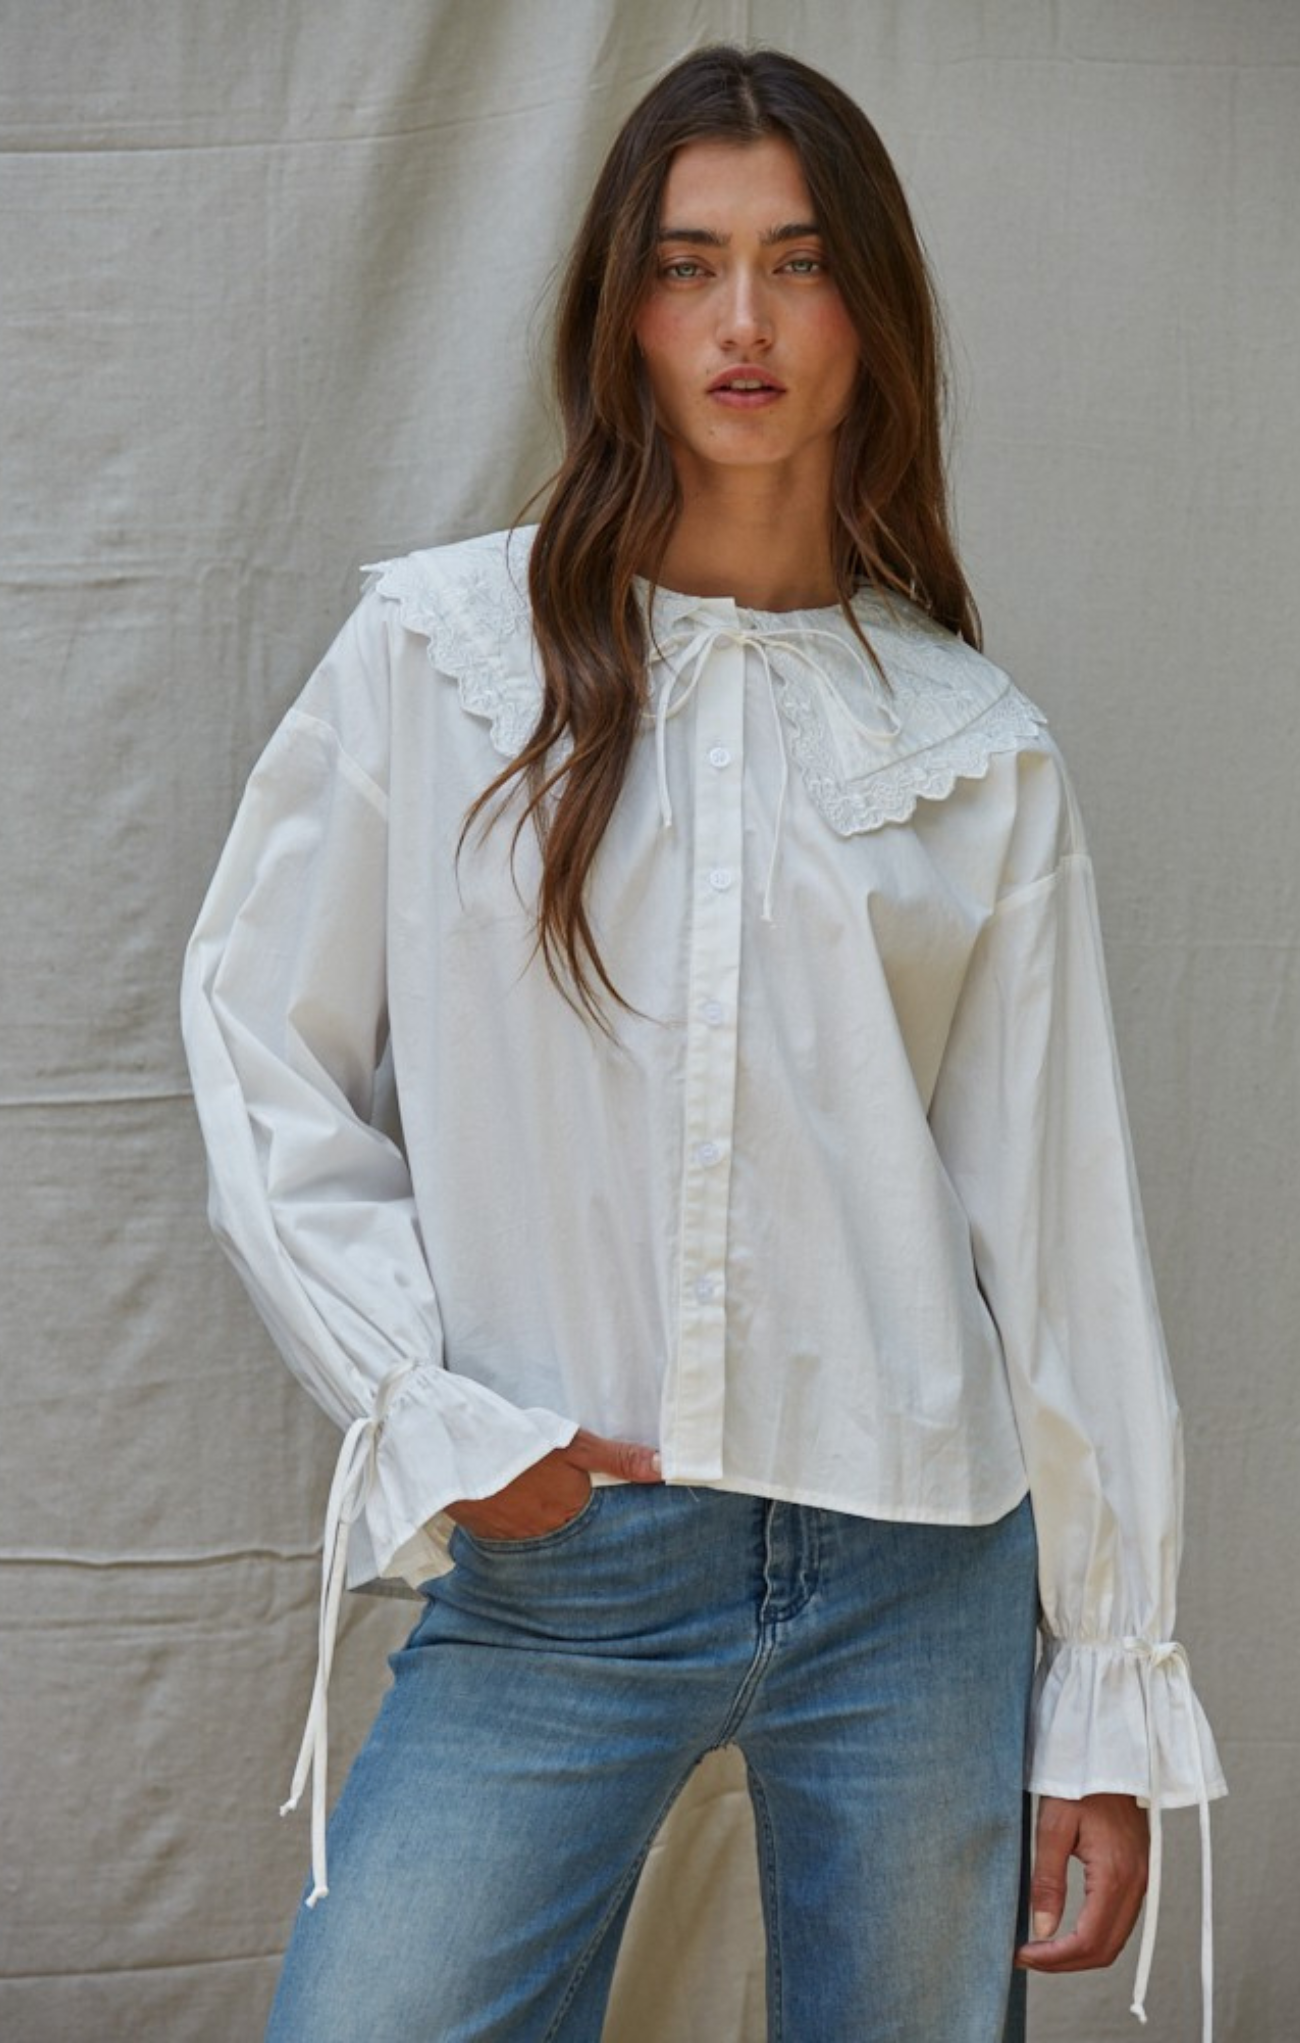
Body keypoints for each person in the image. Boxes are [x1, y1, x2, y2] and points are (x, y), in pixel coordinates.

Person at [181, 43, 1225, 2043]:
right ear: (620, 310)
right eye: (686, 264)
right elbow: (258, 1045)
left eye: (794, 262)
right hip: (563, 1558)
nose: (739, 320)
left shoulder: (967, 748)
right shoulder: (438, 660)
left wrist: (1098, 1690)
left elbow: (1061, 1235)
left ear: (868, 315)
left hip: (916, 1574)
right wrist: (436, 1411)